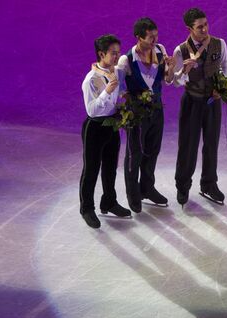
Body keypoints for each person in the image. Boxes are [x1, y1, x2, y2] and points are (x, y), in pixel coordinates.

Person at [171, 8, 227, 206]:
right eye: (199, 27)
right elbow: (175, 81)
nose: (205, 29)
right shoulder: (180, 50)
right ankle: (182, 185)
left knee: (211, 144)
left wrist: (221, 86)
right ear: (189, 28)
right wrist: (183, 71)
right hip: (192, 102)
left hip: (212, 102)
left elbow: (225, 64)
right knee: (188, 146)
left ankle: (209, 185)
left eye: (206, 24)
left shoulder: (218, 43)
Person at [117, 17, 176, 213]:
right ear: (138, 38)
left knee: (152, 150)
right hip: (137, 114)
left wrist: (172, 67)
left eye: (156, 35)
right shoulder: (126, 60)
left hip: (157, 110)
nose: (155, 40)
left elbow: (167, 80)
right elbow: (117, 88)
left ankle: (147, 188)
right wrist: (130, 100)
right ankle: (133, 194)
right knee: (135, 154)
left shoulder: (160, 50)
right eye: (150, 37)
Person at [80, 34, 131, 229]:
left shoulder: (117, 72)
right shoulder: (91, 79)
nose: (118, 57)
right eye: (113, 53)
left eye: (118, 52)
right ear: (101, 54)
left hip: (112, 124)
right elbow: (91, 110)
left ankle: (109, 201)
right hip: (94, 127)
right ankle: (87, 208)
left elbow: (122, 91)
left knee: (110, 168)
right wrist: (107, 91)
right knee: (91, 169)